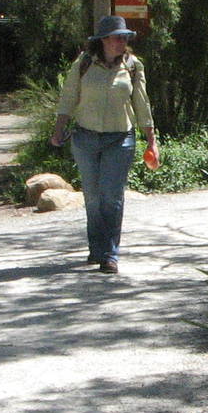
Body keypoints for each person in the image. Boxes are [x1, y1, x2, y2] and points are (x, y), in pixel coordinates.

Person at [49, 14, 156, 274]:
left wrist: (151, 140)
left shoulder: (133, 65)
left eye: (125, 38)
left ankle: (110, 254)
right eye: (117, 37)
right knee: (93, 196)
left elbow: (142, 103)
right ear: (103, 40)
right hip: (85, 137)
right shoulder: (84, 63)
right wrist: (59, 129)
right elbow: (69, 98)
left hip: (120, 139)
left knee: (112, 196)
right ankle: (96, 247)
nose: (122, 42)